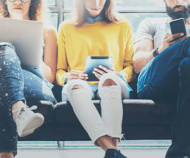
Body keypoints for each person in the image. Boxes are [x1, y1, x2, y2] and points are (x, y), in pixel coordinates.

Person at [56, 0, 133, 157]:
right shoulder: (66, 27)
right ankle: (112, 151)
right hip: (81, 83)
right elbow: (59, 71)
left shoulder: (123, 25)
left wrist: (120, 74)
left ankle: (113, 149)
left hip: (113, 82)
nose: (96, 3)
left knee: (109, 79)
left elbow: (130, 66)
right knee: (75, 86)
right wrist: (67, 77)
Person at [0, 0, 57, 157]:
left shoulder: (47, 31)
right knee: (4, 50)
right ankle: (19, 111)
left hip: (36, 80)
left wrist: (32, 49)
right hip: (5, 79)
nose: (18, 2)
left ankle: (6, 153)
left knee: (4, 84)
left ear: (33, 2)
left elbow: (50, 76)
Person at [133, 0, 190, 157]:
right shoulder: (151, 23)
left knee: (187, 64)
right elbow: (137, 64)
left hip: (184, 84)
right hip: (152, 83)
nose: (178, 1)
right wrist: (162, 49)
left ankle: (179, 151)